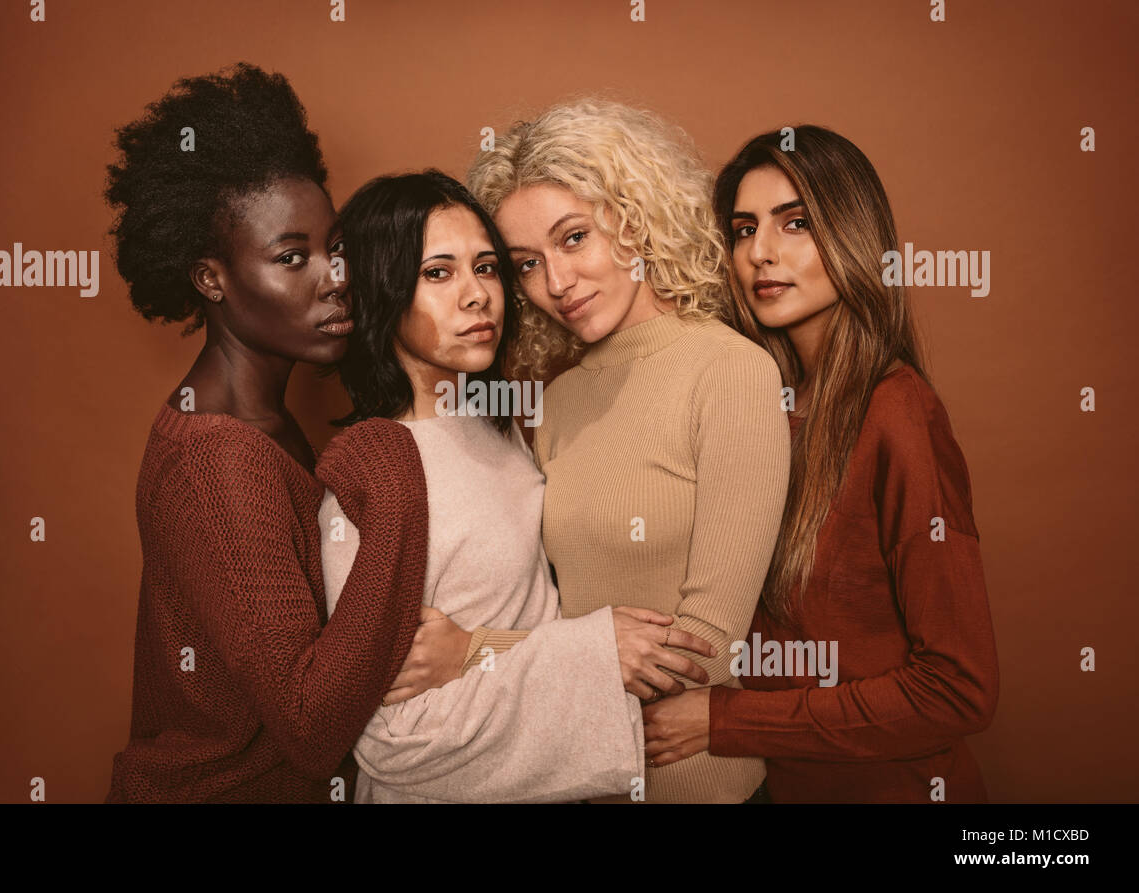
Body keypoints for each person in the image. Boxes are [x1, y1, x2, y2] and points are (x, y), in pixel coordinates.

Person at [319, 170, 718, 803]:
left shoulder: (500, 432)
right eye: (438, 273)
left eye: (486, 267)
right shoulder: (370, 477)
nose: (477, 295)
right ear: (380, 293)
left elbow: (506, 631)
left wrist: (490, 651)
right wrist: (592, 653)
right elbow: (391, 738)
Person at [642, 124, 999, 803]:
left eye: (795, 222)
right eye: (744, 229)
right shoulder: (755, 405)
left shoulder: (899, 411)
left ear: (852, 234)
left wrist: (725, 720)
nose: (761, 253)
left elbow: (959, 688)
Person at [102, 63, 428, 803]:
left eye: (333, 246)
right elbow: (311, 726)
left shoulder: (258, 420)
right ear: (211, 279)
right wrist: (401, 490)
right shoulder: (219, 460)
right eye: (292, 258)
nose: (334, 276)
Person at [463, 99, 791, 803]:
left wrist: (475, 656)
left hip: (696, 785)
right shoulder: (554, 404)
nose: (556, 283)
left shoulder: (729, 371)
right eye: (526, 263)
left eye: (573, 237)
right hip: (571, 777)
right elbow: (551, 612)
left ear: (633, 215)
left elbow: (711, 640)